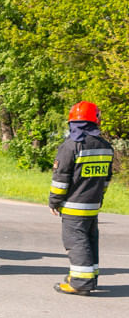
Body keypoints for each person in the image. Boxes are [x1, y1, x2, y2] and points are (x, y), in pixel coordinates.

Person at [49, 101, 113, 296]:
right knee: (90, 240)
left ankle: (80, 283)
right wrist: (98, 197)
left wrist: (54, 201)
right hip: (93, 204)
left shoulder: (71, 146)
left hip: (73, 205)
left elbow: (61, 179)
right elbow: (106, 179)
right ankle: (90, 277)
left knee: (76, 242)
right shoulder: (105, 146)